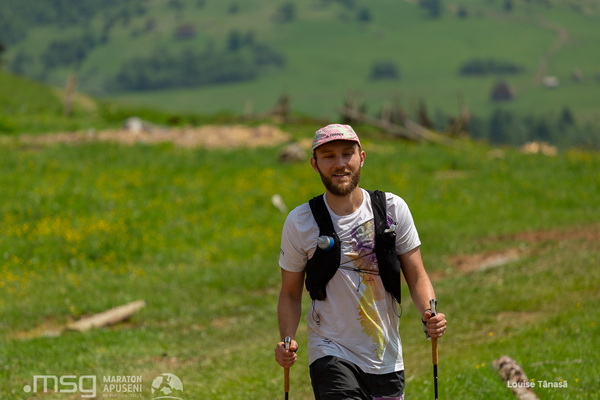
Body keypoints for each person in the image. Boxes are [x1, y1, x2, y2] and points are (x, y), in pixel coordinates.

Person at [274, 124, 447, 400]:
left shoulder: (392, 209)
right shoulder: (300, 221)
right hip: (330, 352)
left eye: (347, 154)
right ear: (314, 165)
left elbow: (416, 276)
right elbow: (290, 292)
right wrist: (287, 339)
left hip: (385, 356)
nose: (340, 163)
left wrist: (430, 314)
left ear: (362, 158)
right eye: (329, 156)